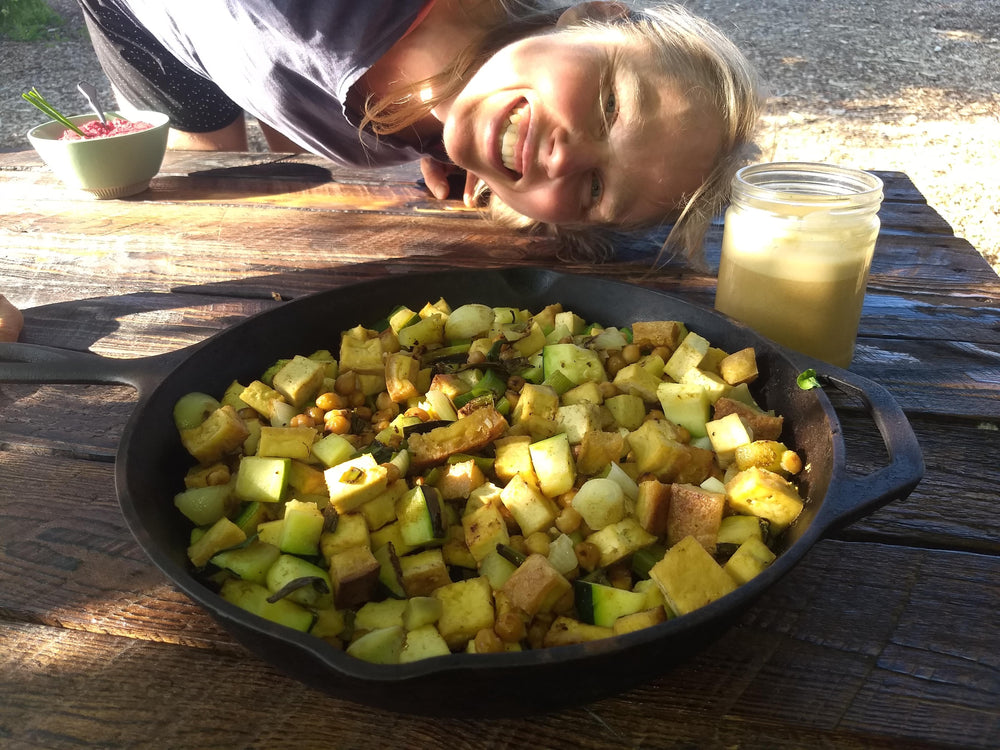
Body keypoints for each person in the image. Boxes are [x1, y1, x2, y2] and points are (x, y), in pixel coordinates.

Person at [0, 1, 762, 343]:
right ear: (596, 15)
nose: (564, 155)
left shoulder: (433, 129)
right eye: (606, 100)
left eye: (594, 189)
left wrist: (445, 147)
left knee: (217, 182)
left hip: (176, 40)